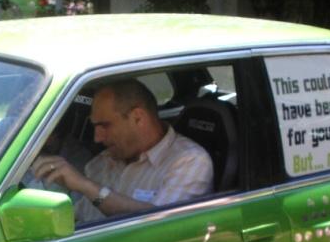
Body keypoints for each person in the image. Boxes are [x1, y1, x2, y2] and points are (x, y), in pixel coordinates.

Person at [31, 79, 213, 224]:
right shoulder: (104, 161)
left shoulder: (190, 161)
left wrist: (86, 186)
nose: (97, 138)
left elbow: (160, 226)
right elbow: (79, 220)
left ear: (138, 118)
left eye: (105, 125)